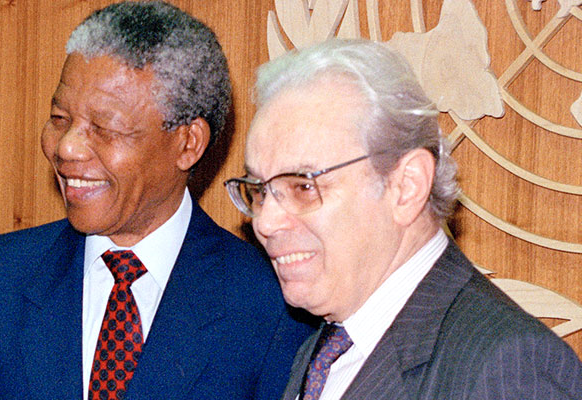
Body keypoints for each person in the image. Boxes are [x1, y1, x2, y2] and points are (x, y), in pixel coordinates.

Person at [0, 2, 314, 399]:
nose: (66, 148)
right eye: (60, 119)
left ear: (188, 143)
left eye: (104, 127)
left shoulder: (269, 304)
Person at [225, 39, 582, 399]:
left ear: (406, 186)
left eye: (303, 186)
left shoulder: (510, 368)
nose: (265, 223)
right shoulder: (325, 346)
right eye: (260, 190)